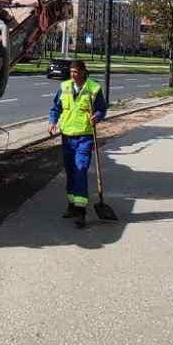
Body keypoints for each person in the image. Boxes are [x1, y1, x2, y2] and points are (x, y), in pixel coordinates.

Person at [48, 59, 107, 228]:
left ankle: (81, 211)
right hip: (67, 137)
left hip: (85, 137)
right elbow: (55, 108)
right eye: (71, 72)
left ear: (83, 72)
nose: (73, 75)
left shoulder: (93, 88)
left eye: (76, 72)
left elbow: (102, 108)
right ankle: (72, 205)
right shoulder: (65, 87)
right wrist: (52, 122)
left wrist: (98, 116)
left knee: (80, 170)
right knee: (71, 171)